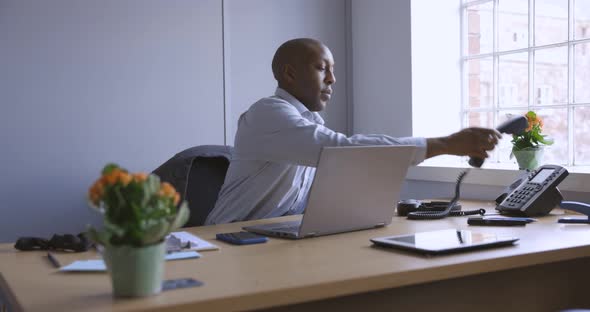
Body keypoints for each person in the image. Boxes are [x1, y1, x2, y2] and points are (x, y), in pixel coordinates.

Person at [204, 38, 501, 225]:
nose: (332, 79)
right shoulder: (268, 114)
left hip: (271, 236)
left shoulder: (308, 123)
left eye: (332, 70)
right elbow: (340, 149)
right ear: (290, 74)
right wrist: (445, 144)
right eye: (322, 68)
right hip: (226, 239)